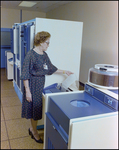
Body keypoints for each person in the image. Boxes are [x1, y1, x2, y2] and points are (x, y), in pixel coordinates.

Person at [20, 31, 73, 143]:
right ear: (40, 42)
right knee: (34, 109)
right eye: (47, 43)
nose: (48, 45)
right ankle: (34, 131)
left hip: (39, 85)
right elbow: (25, 74)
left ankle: (32, 128)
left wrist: (65, 71)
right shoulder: (31, 55)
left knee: (37, 109)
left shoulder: (44, 55)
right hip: (32, 85)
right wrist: (28, 91)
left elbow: (51, 69)